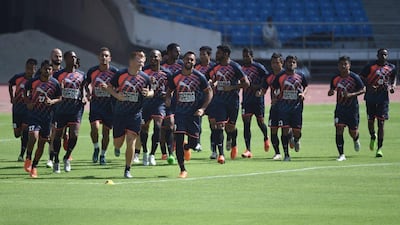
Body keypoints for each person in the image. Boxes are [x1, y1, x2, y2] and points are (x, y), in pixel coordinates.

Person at [102, 51, 153, 178]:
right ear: (131, 61)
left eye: (143, 59)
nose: (141, 61)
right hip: (120, 114)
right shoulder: (120, 74)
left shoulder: (145, 78)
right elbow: (108, 87)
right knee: (118, 142)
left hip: (135, 114)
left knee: (131, 141)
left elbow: (151, 91)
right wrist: (117, 95)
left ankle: (127, 169)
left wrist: (149, 94)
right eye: (138, 59)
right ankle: (117, 147)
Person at [165, 51, 213, 178]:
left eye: (192, 60)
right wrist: (168, 99)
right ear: (183, 60)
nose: (189, 62)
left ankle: (188, 147)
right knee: (179, 140)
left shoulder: (199, 77)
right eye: (187, 59)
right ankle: (182, 169)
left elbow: (209, 92)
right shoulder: (175, 76)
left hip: (193, 115)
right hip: (179, 114)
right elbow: (169, 90)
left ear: (194, 62)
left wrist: (202, 109)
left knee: (194, 142)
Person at [206, 45, 250, 164]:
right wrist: (211, 82)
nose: (216, 55)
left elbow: (246, 83)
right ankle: (221, 155)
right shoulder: (215, 67)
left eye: (219, 53)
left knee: (230, 128)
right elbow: (208, 78)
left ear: (226, 54)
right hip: (219, 101)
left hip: (232, 102)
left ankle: (232, 140)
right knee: (219, 126)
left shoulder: (235, 67)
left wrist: (232, 87)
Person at [23, 60, 62, 178]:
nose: (48, 71)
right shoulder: (33, 81)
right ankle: (28, 157)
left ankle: (34, 167)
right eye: (45, 69)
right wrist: (28, 102)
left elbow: (60, 97)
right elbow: (25, 91)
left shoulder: (55, 83)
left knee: (41, 144)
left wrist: (52, 101)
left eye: (50, 69)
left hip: (47, 118)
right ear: (41, 69)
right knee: (33, 136)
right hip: (34, 115)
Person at [52, 51, 86, 173]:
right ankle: (56, 159)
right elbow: (53, 90)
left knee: (74, 135)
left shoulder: (82, 75)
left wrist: (84, 97)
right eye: (71, 57)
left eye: (75, 57)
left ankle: (67, 157)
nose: (74, 58)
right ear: (66, 59)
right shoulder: (58, 75)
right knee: (58, 136)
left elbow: (84, 89)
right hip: (61, 110)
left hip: (75, 109)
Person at [359, 48, 397, 157]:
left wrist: (393, 86)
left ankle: (379, 148)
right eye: (381, 54)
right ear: (377, 55)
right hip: (370, 97)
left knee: (381, 123)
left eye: (385, 55)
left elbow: (393, 77)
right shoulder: (370, 66)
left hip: (383, 98)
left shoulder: (391, 67)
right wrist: (369, 85)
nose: (383, 57)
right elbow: (361, 77)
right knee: (371, 121)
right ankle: (372, 136)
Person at [85, 47, 118, 165]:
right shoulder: (92, 71)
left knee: (106, 133)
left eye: (106, 56)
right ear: (98, 57)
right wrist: (88, 93)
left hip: (110, 107)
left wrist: (110, 90)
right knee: (95, 127)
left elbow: (120, 87)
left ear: (110, 58)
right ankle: (96, 148)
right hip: (96, 105)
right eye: (102, 56)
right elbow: (85, 83)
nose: (104, 58)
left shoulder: (115, 72)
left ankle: (103, 155)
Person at [328, 56, 365, 161]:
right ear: (338, 66)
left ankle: (356, 139)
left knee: (353, 132)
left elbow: (363, 89)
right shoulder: (335, 78)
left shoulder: (354, 77)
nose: (343, 66)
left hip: (352, 109)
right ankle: (341, 154)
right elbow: (332, 89)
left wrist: (351, 95)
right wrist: (330, 92)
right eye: (341, 64)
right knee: (339, 129)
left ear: (349, 65)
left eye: (345, 64)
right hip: (340, 108)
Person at [141, 49, 175, 166]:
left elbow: (172, 87)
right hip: (145, 103)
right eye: (151, 57)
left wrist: (168, 96)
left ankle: (152, 155)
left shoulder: (167, 73)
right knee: (143, 128)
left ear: (161, 58)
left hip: (159, 103)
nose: (153, 59)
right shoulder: (144, 71)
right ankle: (144, 152)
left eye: (156, 57)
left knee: (158, 126)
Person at [272, 55, 308, 161]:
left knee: (297, 131)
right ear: (285, 63)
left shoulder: (301, 75)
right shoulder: (280, 76)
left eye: (293, 62)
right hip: (283, 108)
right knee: (284, 130)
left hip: (297, 108)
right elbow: (275, 88)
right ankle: (286, 154)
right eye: (289, 62)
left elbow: (306, 86)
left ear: (296, 64)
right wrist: (275, 97)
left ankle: (296, 139)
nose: (291, 64)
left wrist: (303, 94)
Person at [240, 48, 269, 158]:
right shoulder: (241, 68)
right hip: (246, 100)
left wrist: (259, 88)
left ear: (252, 56)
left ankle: (266, 138)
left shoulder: (259, 67)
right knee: (246, 124)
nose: (245, 58)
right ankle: (248, 149)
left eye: (247, 56)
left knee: (260, 123)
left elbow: (267, 79)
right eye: (244, 56)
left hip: (257, 100)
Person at [158, 43, 183, 164]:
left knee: (173, 126)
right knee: (163, 130)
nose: (178, 54)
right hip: (162, 101)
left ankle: (172, 151)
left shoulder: (182, 65)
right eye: (176, 51)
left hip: (179, 101)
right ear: (168, 53)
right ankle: (164, 152)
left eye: (179, 51)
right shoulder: (161, 66)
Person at [8, 58, 37, 161]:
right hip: (17, 109)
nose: (29, 71)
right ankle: (24, 138)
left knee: (25, 130)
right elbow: (10, 84)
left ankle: (21, 154)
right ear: (25, 68)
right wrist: (12, 97)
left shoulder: (36, 80)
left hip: (28, 110)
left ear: (35, 69)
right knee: (17, 134)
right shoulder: (18, 77)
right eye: (28, 68)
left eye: (32, 69)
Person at [195, 46, 216, 158]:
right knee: (197, 121)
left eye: (204, 54)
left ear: (209, 55)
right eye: (201, 54)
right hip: (199, 98)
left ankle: (214, 149)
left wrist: (214, 84)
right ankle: (197, 143)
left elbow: (218, 79)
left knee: (213, 124)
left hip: (211, 99)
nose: (202, 56)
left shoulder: (214, 67)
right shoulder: (196, 67)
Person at [263, 53, 285, 160]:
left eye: (277, 63)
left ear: (282, 63)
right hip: (275, 107)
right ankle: (277, 153)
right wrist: (260, 93)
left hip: (287, 107)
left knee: (287, 129)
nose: (275, 65)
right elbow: (264, 88)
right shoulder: (269, 76)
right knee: (273, 129)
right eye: (273, 63)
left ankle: (292, 139)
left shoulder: (287, 75)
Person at [46, 48, 64, 168]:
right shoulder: (45, 71)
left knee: (56, 135)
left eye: (60, 56)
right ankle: (51, 158)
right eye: (56, 56)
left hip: (61, 108)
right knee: (49, 135)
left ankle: (51, 159)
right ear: (51, 57)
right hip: (46, 108)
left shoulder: (65, 72)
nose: (58, 58)